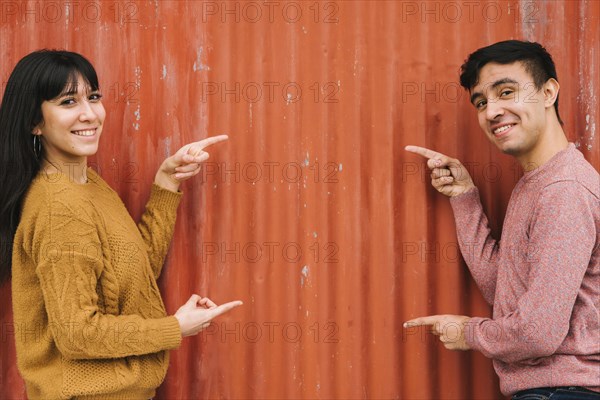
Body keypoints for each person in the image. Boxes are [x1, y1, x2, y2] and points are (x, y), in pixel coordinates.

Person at [0, 50, 243, 399]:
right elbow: (78, 333)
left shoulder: (85, 184)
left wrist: (166, 183)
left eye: (93, 97)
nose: (90, 113)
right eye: (68, 101)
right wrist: (175, 328)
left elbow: (131, 273)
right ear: (34, 122)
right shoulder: (59, 207)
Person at [403, 40, 600, 399]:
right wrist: (464, 198)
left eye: (506, 91)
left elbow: (537, 333)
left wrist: (468, 333)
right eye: (481, 102)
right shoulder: (537, 185)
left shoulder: (564, 190)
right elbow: (505, 293)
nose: (492, 111)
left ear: (548, 92)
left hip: (565, 391)